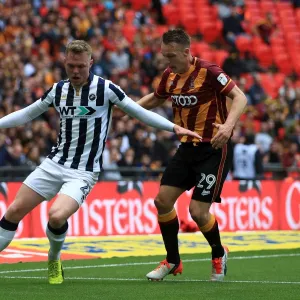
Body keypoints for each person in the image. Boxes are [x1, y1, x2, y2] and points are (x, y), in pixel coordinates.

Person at [0, 40, 201, 284]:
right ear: (64, 62)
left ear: (91, 63)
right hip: (53, 164)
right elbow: (27, 113)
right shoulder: (57, 90)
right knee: (13, 211)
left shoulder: (106, 89)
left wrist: (174, 127)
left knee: (55, 216)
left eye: (81, 67)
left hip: (83, 172)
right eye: (71, 66)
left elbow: (140, 113)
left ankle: (54, 260)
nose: (75, 71)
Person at [136, 29, 247, 281]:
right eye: (165, 56)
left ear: (186, 52)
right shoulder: (169, 75)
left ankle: (218, 253)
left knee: (197, 212)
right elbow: (156, 98)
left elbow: (240, 97)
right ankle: (173, 261)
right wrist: (128, 107)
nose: (168, 61)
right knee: (162, 201)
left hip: (214, 148)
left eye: (171, 56)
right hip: (187, 148)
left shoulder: (210, 72)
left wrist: (228, 126)